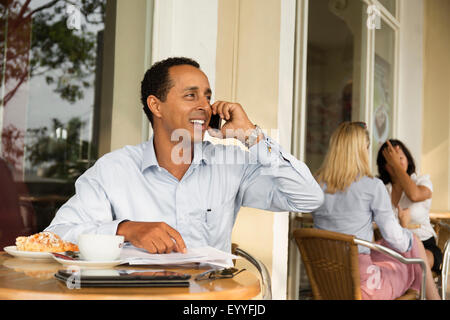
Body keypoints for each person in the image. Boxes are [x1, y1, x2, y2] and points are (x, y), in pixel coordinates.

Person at [45, 57, 324, 255]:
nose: (204, 105)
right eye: (191, 96)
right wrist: (126, 229)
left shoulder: (231, 165)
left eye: (207, 96)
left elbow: (309, 197)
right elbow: (56, 235)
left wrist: (252, 136)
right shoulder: (113, 170)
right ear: (156, 105)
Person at [312, 121, 440, 300]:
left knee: (409, 245)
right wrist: (409, 239)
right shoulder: (372, 186)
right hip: (365, 287)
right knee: (413, 246)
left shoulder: (316, 184)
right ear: (362, 150)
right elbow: (396, 239)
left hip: (326, 281)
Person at [377, 139, 443, 274]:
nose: (398, 162)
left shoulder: (422, 181)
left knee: (413, 266)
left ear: (408, 159)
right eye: (392, 160)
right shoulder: (382, 189)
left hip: (424, 245)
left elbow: (414, 195)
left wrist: (396, 164)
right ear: (385, 166)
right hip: (393, 248)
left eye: (401, 157)